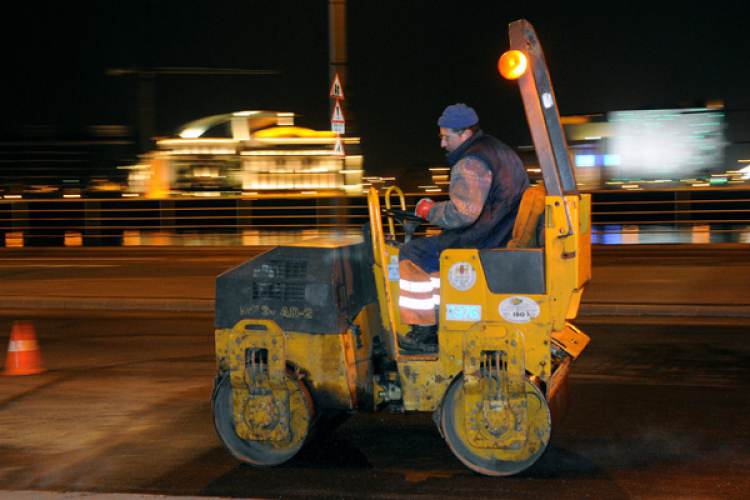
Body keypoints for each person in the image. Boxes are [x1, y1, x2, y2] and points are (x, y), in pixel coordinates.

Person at [397, 103, 530, 353]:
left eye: (446, 137)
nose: (442, 144)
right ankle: (441, 317)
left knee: (412, 253)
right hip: (501, 231)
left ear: (465, 134)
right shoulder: (499, 150)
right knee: (432, 252)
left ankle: (424, 334)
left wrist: (428, 210)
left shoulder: (470, 162)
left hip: (483, 239)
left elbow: (462, 213)